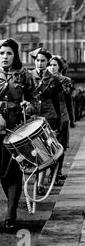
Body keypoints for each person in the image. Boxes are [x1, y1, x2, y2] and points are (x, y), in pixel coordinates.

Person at [0, 38, 39, 231]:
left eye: (9, 53)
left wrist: (29, 106)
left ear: (15, 55)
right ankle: (11, 204)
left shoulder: (24, 75)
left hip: (18, 127)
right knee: (2, 172)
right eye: (2, 53)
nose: (5, 56)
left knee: (14, 171)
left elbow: (35, 99)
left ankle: (10, 212)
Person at [29, 48, 70, 194]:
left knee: (45, 151)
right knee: (33, 150)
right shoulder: (28, 76)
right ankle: (35, 177)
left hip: (49, 118)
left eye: (43, 61)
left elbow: (57, 102)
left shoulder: (53, 79)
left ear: (47, 62)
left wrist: (59, 122)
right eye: (37, 60)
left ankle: (40, 183)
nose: (39, 63)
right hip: (33, 117)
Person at [48, 55, 73, 183]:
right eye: (50, 65)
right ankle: (49, 173)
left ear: (60, 67)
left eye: (54, 65)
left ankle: (57, 172)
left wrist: (72, 118)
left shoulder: (65, 81)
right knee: (49, 147)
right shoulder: (45, 80)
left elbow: (69, 101)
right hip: (49, 117)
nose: (52, 67)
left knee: (60, 147)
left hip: (63, 117)